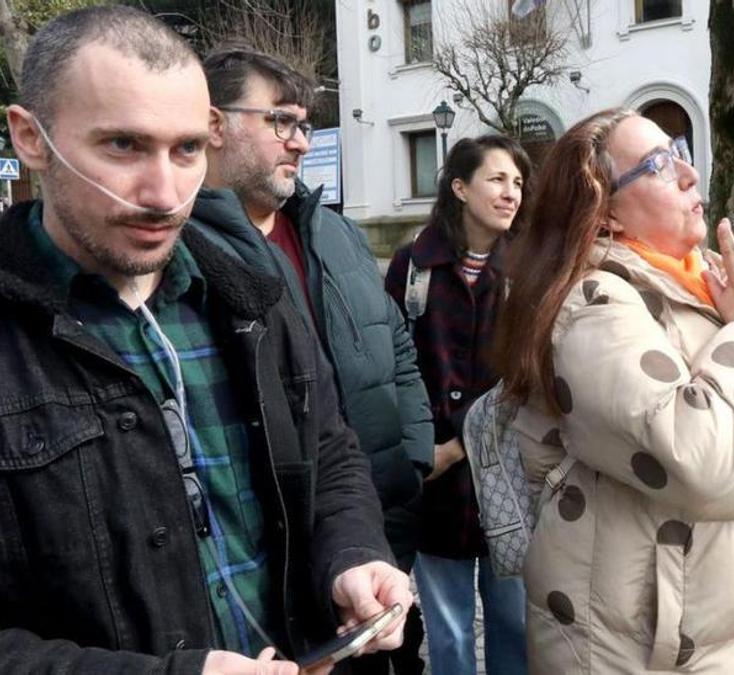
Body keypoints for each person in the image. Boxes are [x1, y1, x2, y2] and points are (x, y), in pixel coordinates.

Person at [0, 7, 411, 673]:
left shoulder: (251, 291)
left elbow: (330, 452)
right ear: (31, 136)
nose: (164, 193)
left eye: (187, 148)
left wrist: (354, 553)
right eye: (123, 146)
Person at [492, 108, 734, 673]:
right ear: (605, 211)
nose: (689, 174)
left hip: (728, 632)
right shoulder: (595, 303)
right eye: (659, 166)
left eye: (681, 152)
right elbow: (694, 453)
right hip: (644, 649)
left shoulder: (701, 277)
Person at [188, 47, 434, 671]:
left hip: (377, 521)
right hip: (285, 555)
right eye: (281, 122)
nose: (300, 143)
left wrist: (413, 456)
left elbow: (395, 345)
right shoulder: (184, 249)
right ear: (214, 124)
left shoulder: (336, 230)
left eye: (306, 126)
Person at [383, 135, 532, 674]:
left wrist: (461, 444)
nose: (510, 193)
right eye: (497, 179)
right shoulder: (413, 266)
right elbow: (391, 368)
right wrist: (426, 451)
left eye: (517, 182)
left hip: (508, 478)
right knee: (448, 636)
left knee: (514, 627)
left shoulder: (527, 270)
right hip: (434, 480)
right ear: (460, 187)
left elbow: (530, 377)